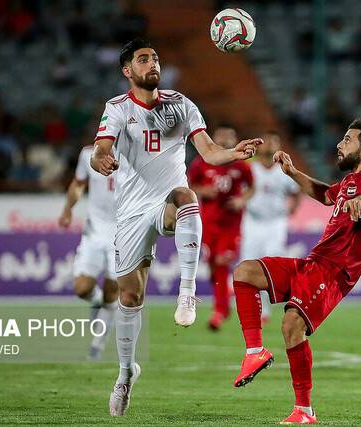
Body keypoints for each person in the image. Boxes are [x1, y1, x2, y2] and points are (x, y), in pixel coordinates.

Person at [89, 38, 261, 417]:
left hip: (166, 201)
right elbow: (101, 148)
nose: (153, 63)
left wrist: (235, 152)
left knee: (186, 196)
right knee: (130, 297)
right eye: (143, 59)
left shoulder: (181, 104)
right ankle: (125, 374)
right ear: (127, 71)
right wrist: (101, 161)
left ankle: (188, 292)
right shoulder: (117, 109)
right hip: (131, 213)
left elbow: (210, 151)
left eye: (155, 58)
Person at [231, 119, 361, 424]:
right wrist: (292, 173)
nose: (339, 144)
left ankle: (303, 410)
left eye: (347, 139)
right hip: (313, 263)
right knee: (245, 271)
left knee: (292, 325)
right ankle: (254, 351)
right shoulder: (348, 182)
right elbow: (324, 194)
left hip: (334, 272)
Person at [188, 125, 254, 331]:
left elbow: (252, 187)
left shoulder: (241, 166)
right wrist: (202, 190)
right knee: (213, 268)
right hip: (207, 223)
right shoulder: (201, 163)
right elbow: (189, 185)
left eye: (229, 136)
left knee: (222, 262)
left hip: (230, 224)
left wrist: (242, 200)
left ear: (234, 139)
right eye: (221, 136)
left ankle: (218, 312)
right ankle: (224, 298)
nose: (225, 140)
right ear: (213, 138)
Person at [58, 144, 118, 361]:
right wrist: (67, 210)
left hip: (123, 232)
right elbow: (78, 183)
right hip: (94, 231)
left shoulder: (135, 152)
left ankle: (97, 345)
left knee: (114, 289)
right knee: (82, 288)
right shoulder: (87, 154)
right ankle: (95, 300)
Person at [239, 131, 301, 325]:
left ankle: (265, 308)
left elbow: (297, 191)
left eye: (274, 141)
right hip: (252, 220)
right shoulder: (249, 168)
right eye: (266, 142)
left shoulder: (284, 170)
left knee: (270, 263)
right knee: (248, 264)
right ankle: (252, 308)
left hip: (276, 222)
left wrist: (293, 207)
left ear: (278, 145)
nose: (269, 145)